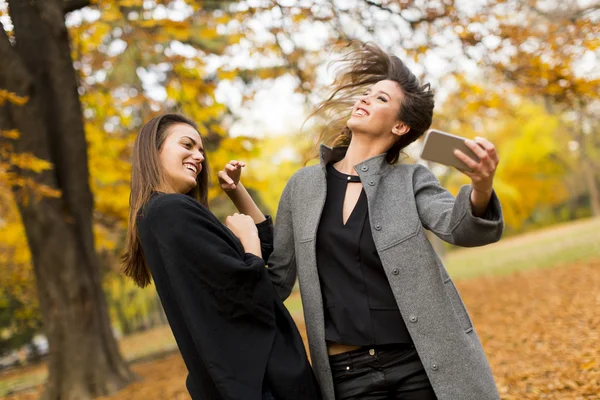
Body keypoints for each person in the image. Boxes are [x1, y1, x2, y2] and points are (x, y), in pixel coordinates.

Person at [219, 42, 504, 400]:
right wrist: (239, 199)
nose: (365, 99)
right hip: (347, 375)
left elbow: (459, 226)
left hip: (421, 364)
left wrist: (481, 185)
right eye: (367, 93)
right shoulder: (303, 186)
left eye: (381, 98)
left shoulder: (411, 180)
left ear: (400, 126)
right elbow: (277, 278)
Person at [121, 113, 321, 400]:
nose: (198, 156)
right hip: (261, 379)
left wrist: (237, 192)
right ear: (154, 151)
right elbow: (250, 293)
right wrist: (248, 238)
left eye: (201, 150)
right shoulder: (171, 211)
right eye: (187, 145)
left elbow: (270, 259)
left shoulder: (159, 215)